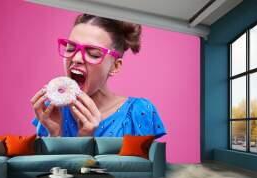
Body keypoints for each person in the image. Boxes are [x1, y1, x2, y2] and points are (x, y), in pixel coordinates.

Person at [30, 14, 166, 138]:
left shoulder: (137, 112)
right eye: (70, 48)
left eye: (93, 54)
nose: (76, 58)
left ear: (115, 66)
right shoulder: (52, 111)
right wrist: (54, 134)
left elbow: (143, 165)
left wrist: (87, 139)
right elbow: (46, 165)